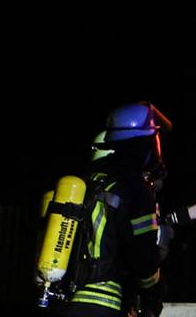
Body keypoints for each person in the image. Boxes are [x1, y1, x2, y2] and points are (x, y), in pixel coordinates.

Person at [59, 103, 171, 317]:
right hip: (102, 305)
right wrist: (153, 294)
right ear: (144, 143)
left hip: (68, 302)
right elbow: (143, 255)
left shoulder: (92, 182)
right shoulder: (133, 188)